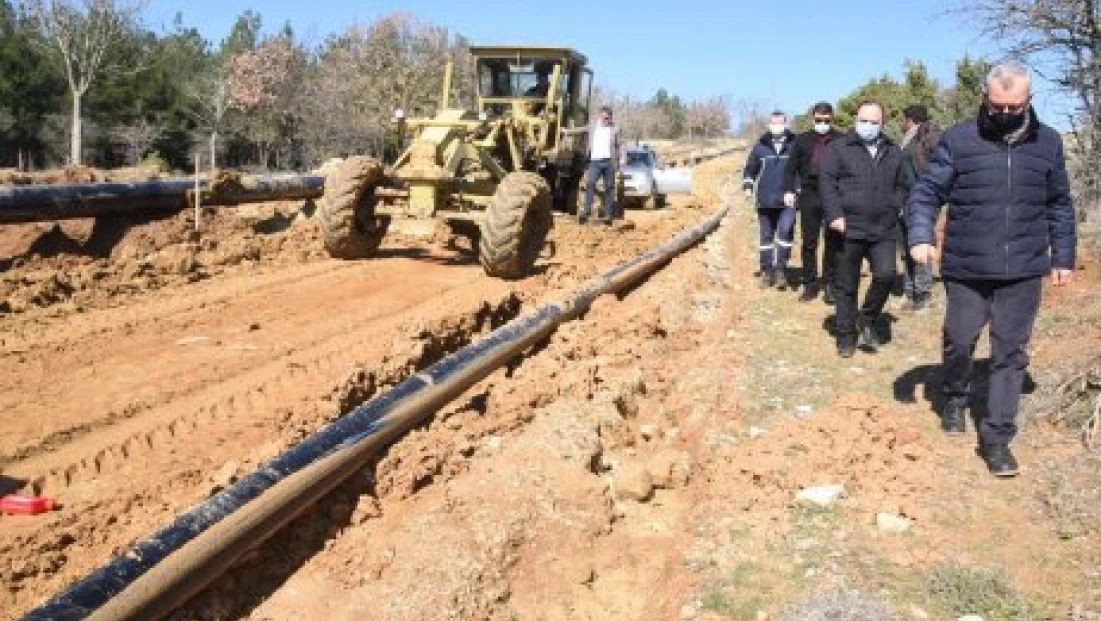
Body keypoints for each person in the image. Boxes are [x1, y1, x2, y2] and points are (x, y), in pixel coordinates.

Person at [907, 61, 1076, 477]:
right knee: (960, 340)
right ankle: (956, 395)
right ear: (985, 98)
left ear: (1028, 102)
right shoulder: (959, 140)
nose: (1004, 114)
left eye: (1013, 107)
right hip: (967, 264)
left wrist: (1064, 256)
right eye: (997, 106)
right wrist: (920, 233)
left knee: (1010, 353)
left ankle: (997, 437)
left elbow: (1059, 203)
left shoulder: (1049, 143)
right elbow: (927, 191)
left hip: (1023, 266)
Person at [819, 101, 907, 358]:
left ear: (882, 124)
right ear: (856, 120)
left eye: (874, 122)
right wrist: (834, 214)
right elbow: (827, 183)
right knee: (846, 285)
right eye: (863, 120)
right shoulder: (839, 148)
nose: (867, 126)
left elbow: (903, 184)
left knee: (886, 275)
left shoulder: (893, 151)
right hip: (847, 228)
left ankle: (867, 317)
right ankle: (846, 335)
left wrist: (896, 205)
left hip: (883, 228)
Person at [783, 101, 845, 303]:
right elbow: (790, 169)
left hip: (834, 195)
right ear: (813, 118)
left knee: (833, 241)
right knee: (809, 242)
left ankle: (830, 284)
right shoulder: (802, 140)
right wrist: (789, 190)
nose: (822, 123)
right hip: (809, 194)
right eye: (819, 120)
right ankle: (810, 284)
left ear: (831, 119)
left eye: (826, 120)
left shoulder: (841, 140)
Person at [743, 111, 798, 289]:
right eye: (773, 123)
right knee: (766, 237)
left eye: (780, 123)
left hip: (787, 201)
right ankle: (767, 271)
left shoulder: (795, 144)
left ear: (786, 123)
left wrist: (796, 191)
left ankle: (781, 269)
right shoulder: (760, 146)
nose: (776, 126)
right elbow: (750, 169)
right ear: (769, 124)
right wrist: (748, 187)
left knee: (785, 232)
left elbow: (801, 171)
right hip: (765, 200)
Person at [897, 103, 942, 311]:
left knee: (920, 243)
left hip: (920, 201)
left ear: (910, 120)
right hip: (903, 199)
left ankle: (922, 295)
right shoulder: (907, 140)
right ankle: (909, 291)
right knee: (906, 247)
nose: (901, 124)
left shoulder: (927, 136)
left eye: (903, 119)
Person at [582, 106, 621, 225]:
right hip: (595, 162)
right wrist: (566, 131)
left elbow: (620, 145)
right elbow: (581, 129)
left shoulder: (615, 129)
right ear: (600, 116)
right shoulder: (594, 127)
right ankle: (587, 211)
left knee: (609, 187)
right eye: (604, 117)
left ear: (610, 118)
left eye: (607, 118)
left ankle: (608, 214)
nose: (605, 120)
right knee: (590, 183)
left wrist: (621, 160)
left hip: (609, 162)